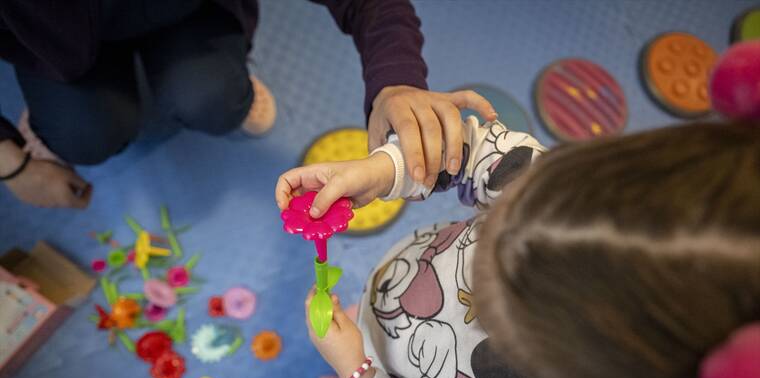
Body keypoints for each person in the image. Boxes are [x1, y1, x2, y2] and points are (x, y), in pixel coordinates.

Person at [278, 115, 618, 378]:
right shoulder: (565, 200)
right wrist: (385, 169)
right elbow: (474, 148)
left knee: (362, 375)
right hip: (396, 285)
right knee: (365, 320)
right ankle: (367, 331)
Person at [0, 0, 496, 208]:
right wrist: (12, 166)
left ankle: (225, 82)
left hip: (191, 16)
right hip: (58, 46)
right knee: (85, 136)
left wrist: (396, 83)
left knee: (212, 97)